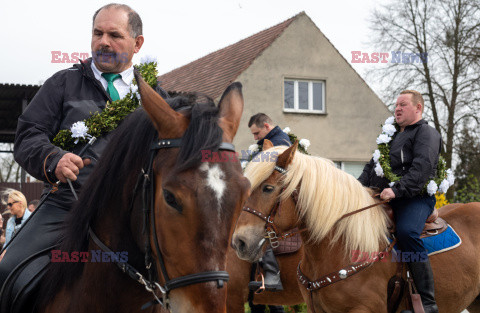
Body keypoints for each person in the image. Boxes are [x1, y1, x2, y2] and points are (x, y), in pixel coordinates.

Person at [0, 3, 162, 289]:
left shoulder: (155, 95)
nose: (103, 42)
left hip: (137, 213)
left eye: (114, 35)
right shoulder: (62, 84)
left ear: (137, 44)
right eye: (97, 33)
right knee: (7, 268)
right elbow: (27, 135)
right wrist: (54, 159)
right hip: (68, 206)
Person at [358, 90, 441, 313]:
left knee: (406, 233)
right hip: (387, 195)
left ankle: (427, 303)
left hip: (416, 197)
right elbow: (372, 166)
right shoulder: (390, 135)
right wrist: (356, 189)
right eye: (396, 105)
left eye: (403, 104)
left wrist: (397, 191)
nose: (397, 108)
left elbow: (422, 169)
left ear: (418, 108)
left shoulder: (427, 134)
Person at [247, 113, 291, 313]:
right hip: (271, 195)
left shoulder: (279, 143)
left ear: (266, 125)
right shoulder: (270, 142)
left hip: (278, 199)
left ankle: (272, 275)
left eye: (257, 133)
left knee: (266, 232)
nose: (255, 138)